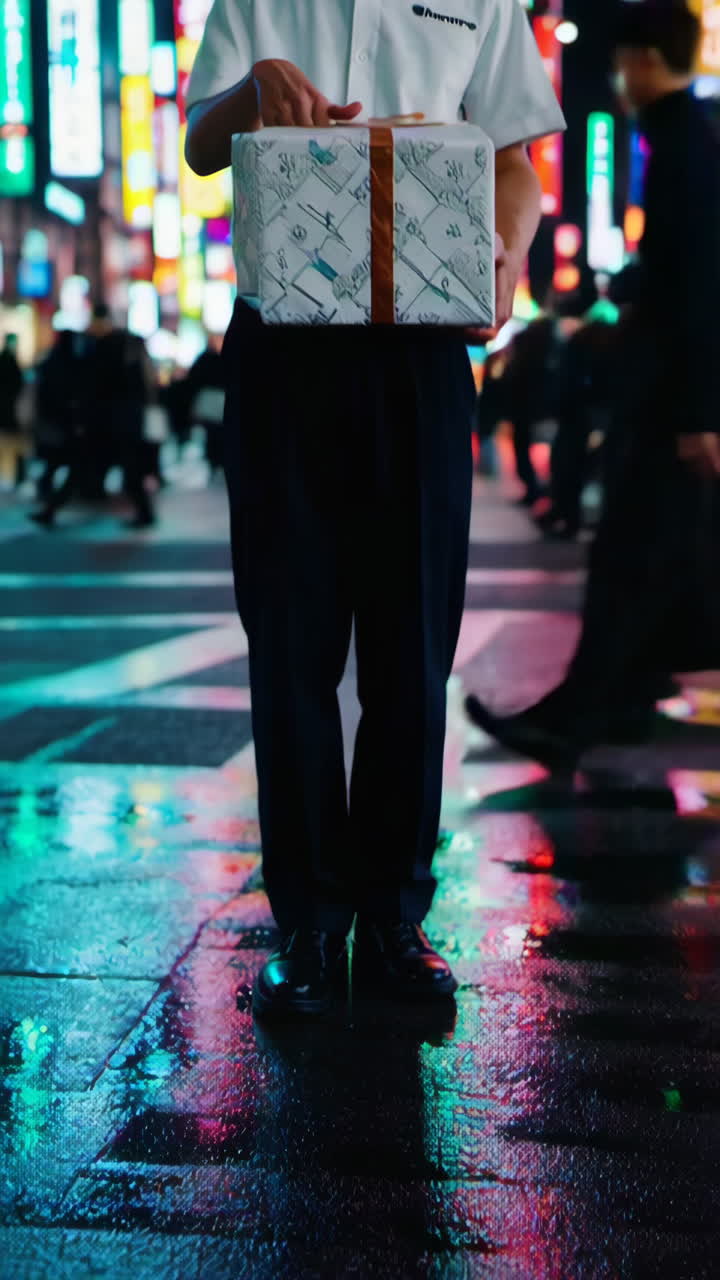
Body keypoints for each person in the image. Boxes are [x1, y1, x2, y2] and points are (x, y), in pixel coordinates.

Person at [185, 0, 565, 1017]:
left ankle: (396, 912)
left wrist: (508, 252)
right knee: (290, 642)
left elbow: (516, 159)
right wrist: (252, 89)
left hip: (422, 343)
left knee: (413, 644)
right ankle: (310, 920)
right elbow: (199, 145)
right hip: (283, 341)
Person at [466, 2, 720, 770]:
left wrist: (699, 413)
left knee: (628, 562)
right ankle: (620, 703)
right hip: (668, 396)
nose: (614, 78)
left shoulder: (683, 145)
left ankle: (577, 719)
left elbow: (698, 289)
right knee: (649, 560)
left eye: (621, 61)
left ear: (644, 59)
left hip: (669, 402)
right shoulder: (685, 139)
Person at [30, 305, 157, 529]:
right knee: (117, 468)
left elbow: (92, 388)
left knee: (84, 467)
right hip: (118, 422)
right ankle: (51, 510)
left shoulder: (103, 350)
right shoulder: (125, 353)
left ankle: (50, 511)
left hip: (105, 423)